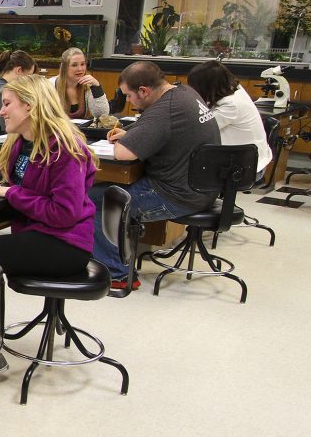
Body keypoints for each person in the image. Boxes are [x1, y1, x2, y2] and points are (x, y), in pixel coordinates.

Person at [0, 73, 97, 277]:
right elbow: (17, 171)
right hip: (38, 229)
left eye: (7, 104)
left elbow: (63, 214)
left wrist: (10, 193)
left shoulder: (64, 150)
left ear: (29, 105)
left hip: (65, 243)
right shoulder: (24, 140)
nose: (1, 111)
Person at [88, 61, 221, 290]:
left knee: (97, 198)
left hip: (177, 195)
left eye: (129, 96)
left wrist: (127, 140)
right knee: (108, 191)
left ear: (143, 91)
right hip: (202, 188)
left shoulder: (163, 110)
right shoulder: (184, 92)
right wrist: (132, 134)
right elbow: (162, 130)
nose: (128, 101)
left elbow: (123, 154)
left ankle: (116, 274)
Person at [188, 60, 271, 179]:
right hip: (247, 160)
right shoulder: (235, 91)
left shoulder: (231, 105)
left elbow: (201, 127)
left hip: (246, 169)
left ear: (207, 86)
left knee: (184, 172)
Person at [50, 47, 109, 120]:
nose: (80, 69)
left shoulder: (88, 85)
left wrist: (97, 87)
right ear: (65, 68)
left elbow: (102, 115)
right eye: (74, 65)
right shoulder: (50, 85)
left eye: (82, 64)